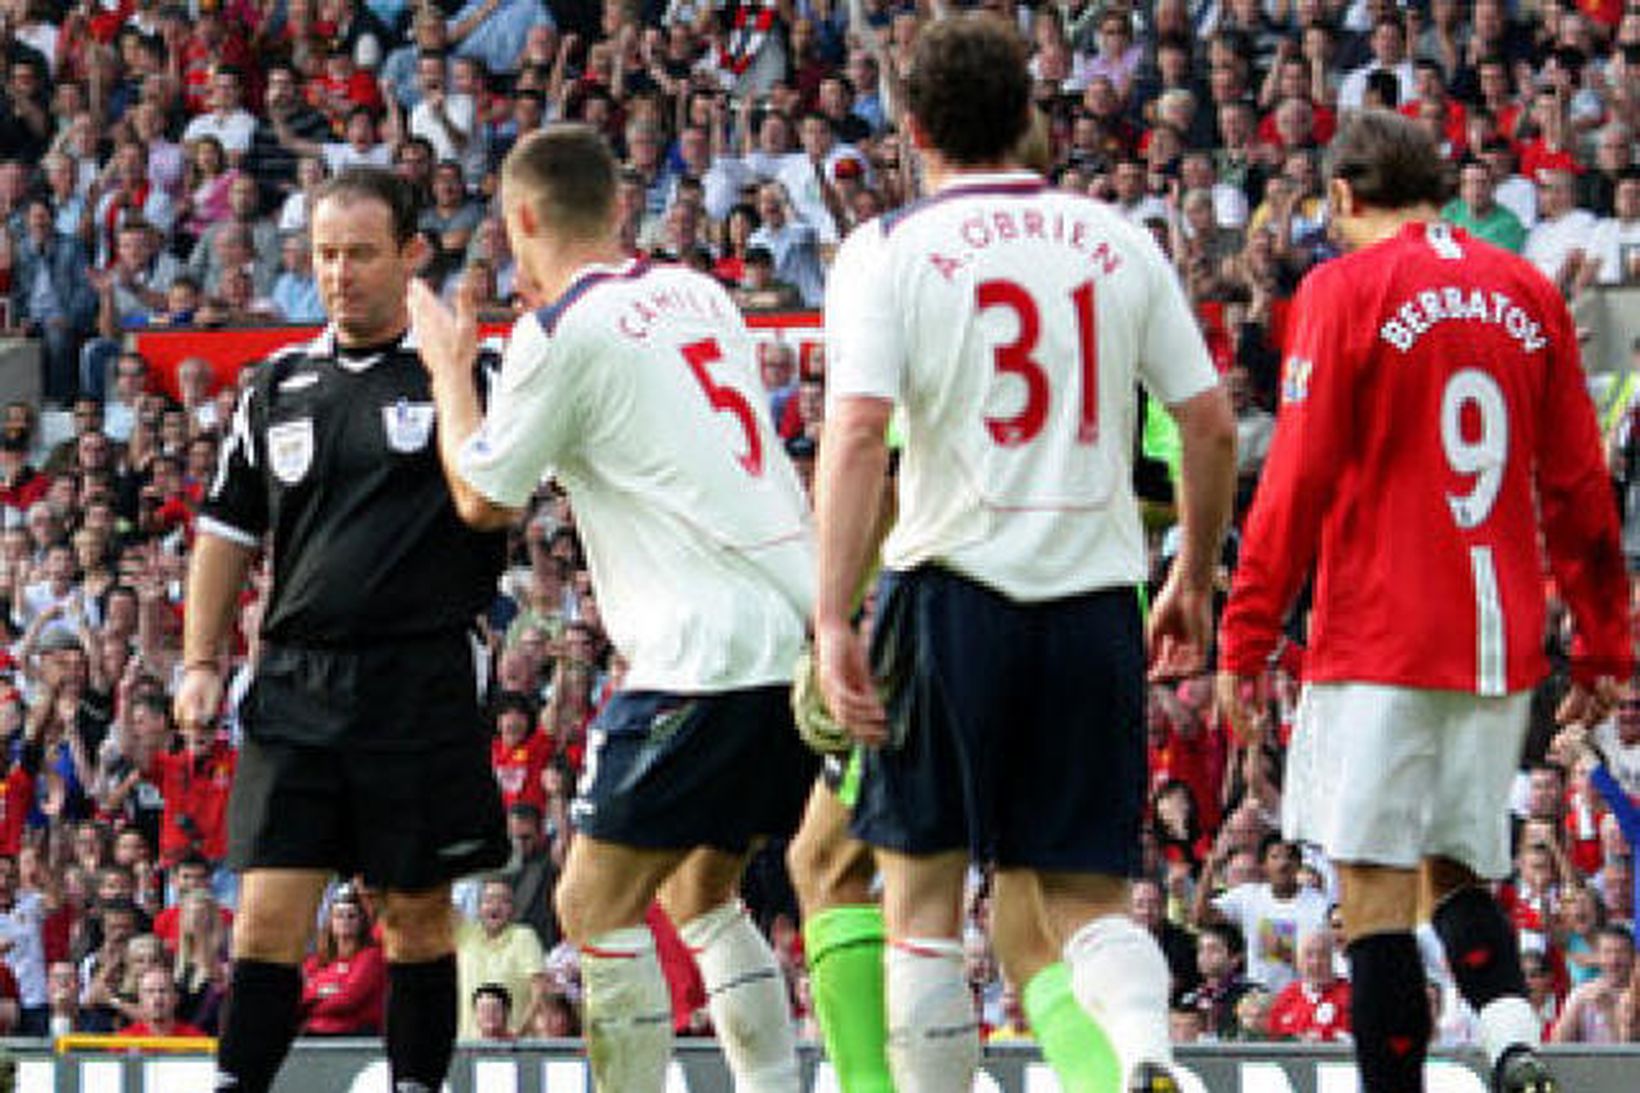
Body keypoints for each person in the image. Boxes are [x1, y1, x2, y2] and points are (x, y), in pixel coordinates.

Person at [813, 16, 1235, 1093]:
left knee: (917, 899)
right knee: (1084, 898)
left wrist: (829, 618)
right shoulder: (1118, 239)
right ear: (1028, 114)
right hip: (1091, 601)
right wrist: (1188, 573)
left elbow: (858, 434)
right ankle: (1143, 1055)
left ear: (911, 129)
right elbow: (1208, 423)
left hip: (947, 594)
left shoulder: (886, 249)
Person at [1216, 110, 1632, 1093]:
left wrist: (1245, 633)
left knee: (1368, 893)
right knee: (1454, 864)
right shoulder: (1526, 290)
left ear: (1343, 198)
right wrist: (1606, 648)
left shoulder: (1341, 288)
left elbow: (1295, 478)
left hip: (1379, 635)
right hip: (1495, 643)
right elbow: (1578, 485)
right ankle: (1510, 1040)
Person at [408, 124, 819, 1093]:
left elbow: (482, 497)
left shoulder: (566, 334)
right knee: (702, 892)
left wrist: (448, 372)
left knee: (591, 903)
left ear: (519, 220)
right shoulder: (696, 292)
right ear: (617, 207)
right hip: (787, 633)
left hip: (696, 654)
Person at [174, 166, 510, 1093]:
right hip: (297, 683)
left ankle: (415, 1085)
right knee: (264, 922)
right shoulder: (277, 384)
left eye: (360, 253)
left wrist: (454, 378)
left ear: (412, 255)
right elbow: (226, 528)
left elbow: (490, 504)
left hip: (421, 679)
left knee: (414, 917)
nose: (338, 272)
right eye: (324, 254)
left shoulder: (468, 375)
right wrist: (203, 659)